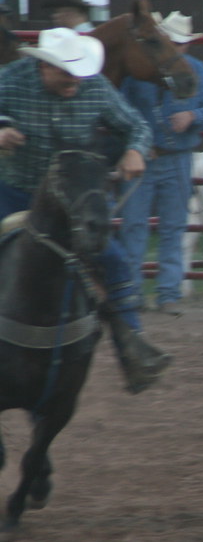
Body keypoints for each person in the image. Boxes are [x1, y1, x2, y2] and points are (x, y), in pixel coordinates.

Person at [0, 28, 171, 393]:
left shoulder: (94, 87)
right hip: (14, 192)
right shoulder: (9, 81)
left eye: (78, 72)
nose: (74, 80)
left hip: (70, 203)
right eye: (66, 72)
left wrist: (136, 149)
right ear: (44, 68)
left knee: (114, 259)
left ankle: (133, 347)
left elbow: (135, 125)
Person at [118, 11, 203, 316]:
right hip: (150, 157)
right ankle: (139, 293)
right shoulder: (143, 70)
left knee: (170, 227)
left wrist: (193, 116)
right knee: (137, 226)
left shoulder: (197, 71)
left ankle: (165, 293)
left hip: (175, 158)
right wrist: (136, 143)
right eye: (174, 42)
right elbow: (119, 107)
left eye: (182, 44)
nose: (178, 48)